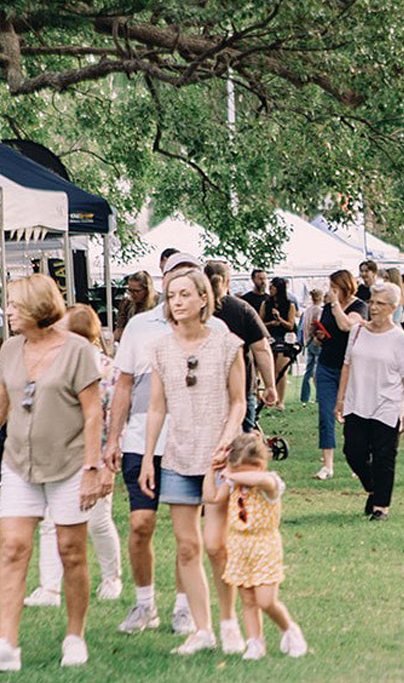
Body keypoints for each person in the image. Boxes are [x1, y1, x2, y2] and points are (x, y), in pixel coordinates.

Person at [106, 254, 230, 638]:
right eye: (172, 281)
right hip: (142, 437)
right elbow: (124, 383)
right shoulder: (140, 327)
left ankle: (183, 607)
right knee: (140, 524)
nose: (178, 292)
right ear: (163, 281)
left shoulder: (218, 331)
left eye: (186, 282)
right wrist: (113, 437)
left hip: (192, 442)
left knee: (186, 534)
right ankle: (144, 603)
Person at [139, 266, 247, 655]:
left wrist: (226, 441)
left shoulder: (227, 344)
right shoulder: (160, 349)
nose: (177, 302)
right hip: (178, 457)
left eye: (185, 294)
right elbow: (155, 408)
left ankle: (229, 622)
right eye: (171, 296)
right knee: (187, 548)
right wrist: (150, 457)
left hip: (217, 457)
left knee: (216, 545)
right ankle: (202, 629)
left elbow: (239, 402)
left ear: (204, 298)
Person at [0, 275, 103, 670]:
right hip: (19, 464)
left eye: (14, 305)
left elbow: (93, 413)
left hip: (70, 464)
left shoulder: (77, 350)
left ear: (38, 309)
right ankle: (6, 642)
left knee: (71, 552)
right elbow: (0, 405)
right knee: (12, 549)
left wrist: (93, 468)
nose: (7, 311)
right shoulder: (9, 349)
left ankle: (75, 636)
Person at [25, 306, 123, 609]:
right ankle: (50, 589)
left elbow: (114, 420)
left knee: (97, 521)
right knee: (51, 521)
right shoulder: (54, 366)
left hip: (96, 455)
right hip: (59, 454)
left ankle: (112, 578)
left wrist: (108, 463)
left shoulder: (108, 371)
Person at [204, 433, 308, 659]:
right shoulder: (233, 483)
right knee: (248, 600)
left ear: (261, 465)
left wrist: (232, 473)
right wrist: (212, 470)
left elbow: (260, 480)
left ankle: (290, 630)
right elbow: (211, 497)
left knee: (265, 600)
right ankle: (255, 642)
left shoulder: (270, 482)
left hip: (264, 546)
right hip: (240, 546)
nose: (240, 477)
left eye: (247, 471)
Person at [335, 283, 404, 521]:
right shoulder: (357, 331)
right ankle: (373, 487)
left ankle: (381, 506)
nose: (373, 307)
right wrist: (340, 399)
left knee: (384, 456)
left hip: (387, 404)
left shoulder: (399, 338)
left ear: (393, 307)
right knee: (353, 451)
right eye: (372, 302)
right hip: (357, 401)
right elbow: (347, 365)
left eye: (380, 303)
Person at [204, 262, 276, 434]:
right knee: (241, 443)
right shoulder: (242, 309)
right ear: (228, 282)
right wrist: (270, 385)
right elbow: (262, 349)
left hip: (204, 387)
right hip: (241, 386)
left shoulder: (195, 310)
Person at [313, 270, 368, 480]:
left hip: (352, 368)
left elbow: (346, 326)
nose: (331, 290)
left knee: (353, 416)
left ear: (345, 286)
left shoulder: (359, 306)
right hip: (326, 365)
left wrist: (335, 305)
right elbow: (328, 332)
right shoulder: (327, 308)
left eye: (334, 286)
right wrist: (319, 336)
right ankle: (327, 465)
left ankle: (357, 462)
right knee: (326, 414)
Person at [261, 277, 297, 410]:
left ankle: (280, 400)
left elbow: (291, 324)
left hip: (285, 338)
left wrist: (280, 319)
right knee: (270, 370)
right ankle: (269, 397)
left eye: (272, 288)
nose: (269, 290)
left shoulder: (289, 305)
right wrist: (271, 323)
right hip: (270, 337)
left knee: (281, 370)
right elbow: (260, 322)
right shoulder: (266, 304)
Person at [115, 271, 158, 342]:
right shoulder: (127, 302)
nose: (133, 294)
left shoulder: (158, 302)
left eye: (137, 291)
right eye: (130, 290)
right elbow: (120, 328)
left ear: (147, 290)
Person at [298, 288, 324, 405]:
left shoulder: (307, 310)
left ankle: (304, 397)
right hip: (315, 341)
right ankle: (319, 396)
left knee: (308, 371)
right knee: (319, 370)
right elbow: (318, 325)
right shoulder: (319, 310)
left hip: (308, 342)